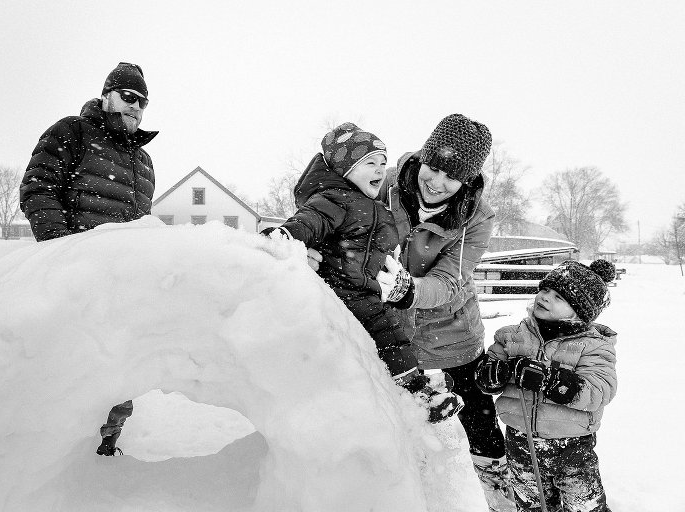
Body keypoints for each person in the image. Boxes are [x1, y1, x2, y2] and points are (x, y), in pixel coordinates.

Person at [263, 122, 463, 422]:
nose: (381, 170)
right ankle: (416, 397)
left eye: (383, 162)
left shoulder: (368, 205)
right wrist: (282, 238)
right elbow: (307, 223)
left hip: (362, 288)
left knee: (393, 336)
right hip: (343, 290)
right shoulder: (334, 199)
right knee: (390, 337)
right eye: (370, 163)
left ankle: (412, 386)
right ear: (345, 169)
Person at [375, 114, 515, 511]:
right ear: (422, 157)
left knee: (479, 417)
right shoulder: (384, 183)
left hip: (451, 329)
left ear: (467, 181)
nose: (436, 182)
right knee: (395, 408)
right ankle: (406, 489)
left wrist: (409, 290)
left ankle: (500, 490)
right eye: (432, 167)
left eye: (450, 177)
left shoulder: (477, 216)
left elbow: (451, 279)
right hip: (387, 330)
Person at [19, 62, 158, 456]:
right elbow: (37, 188)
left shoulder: (143, 163)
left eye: (143, 102)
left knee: (120, 371)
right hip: (76, 280)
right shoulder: (73, 132)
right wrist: (62, 252)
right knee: (69, 373)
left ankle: (105, 447)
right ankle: (52, 460)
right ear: (107, 95)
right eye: (128, 97)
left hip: (123, 285)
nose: (136, 107)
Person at [475, 259, 617, 511]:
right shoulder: (511, 335)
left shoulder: (593, 345)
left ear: (578, 311)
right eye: (545, 290)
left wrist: (550, 380)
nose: (545, 297)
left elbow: (599, 391)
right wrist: (493, 375)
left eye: (558, 297)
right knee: (531, 506)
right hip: (520, 443)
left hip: (572, 448)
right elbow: (487, 378)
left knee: (585, 507)